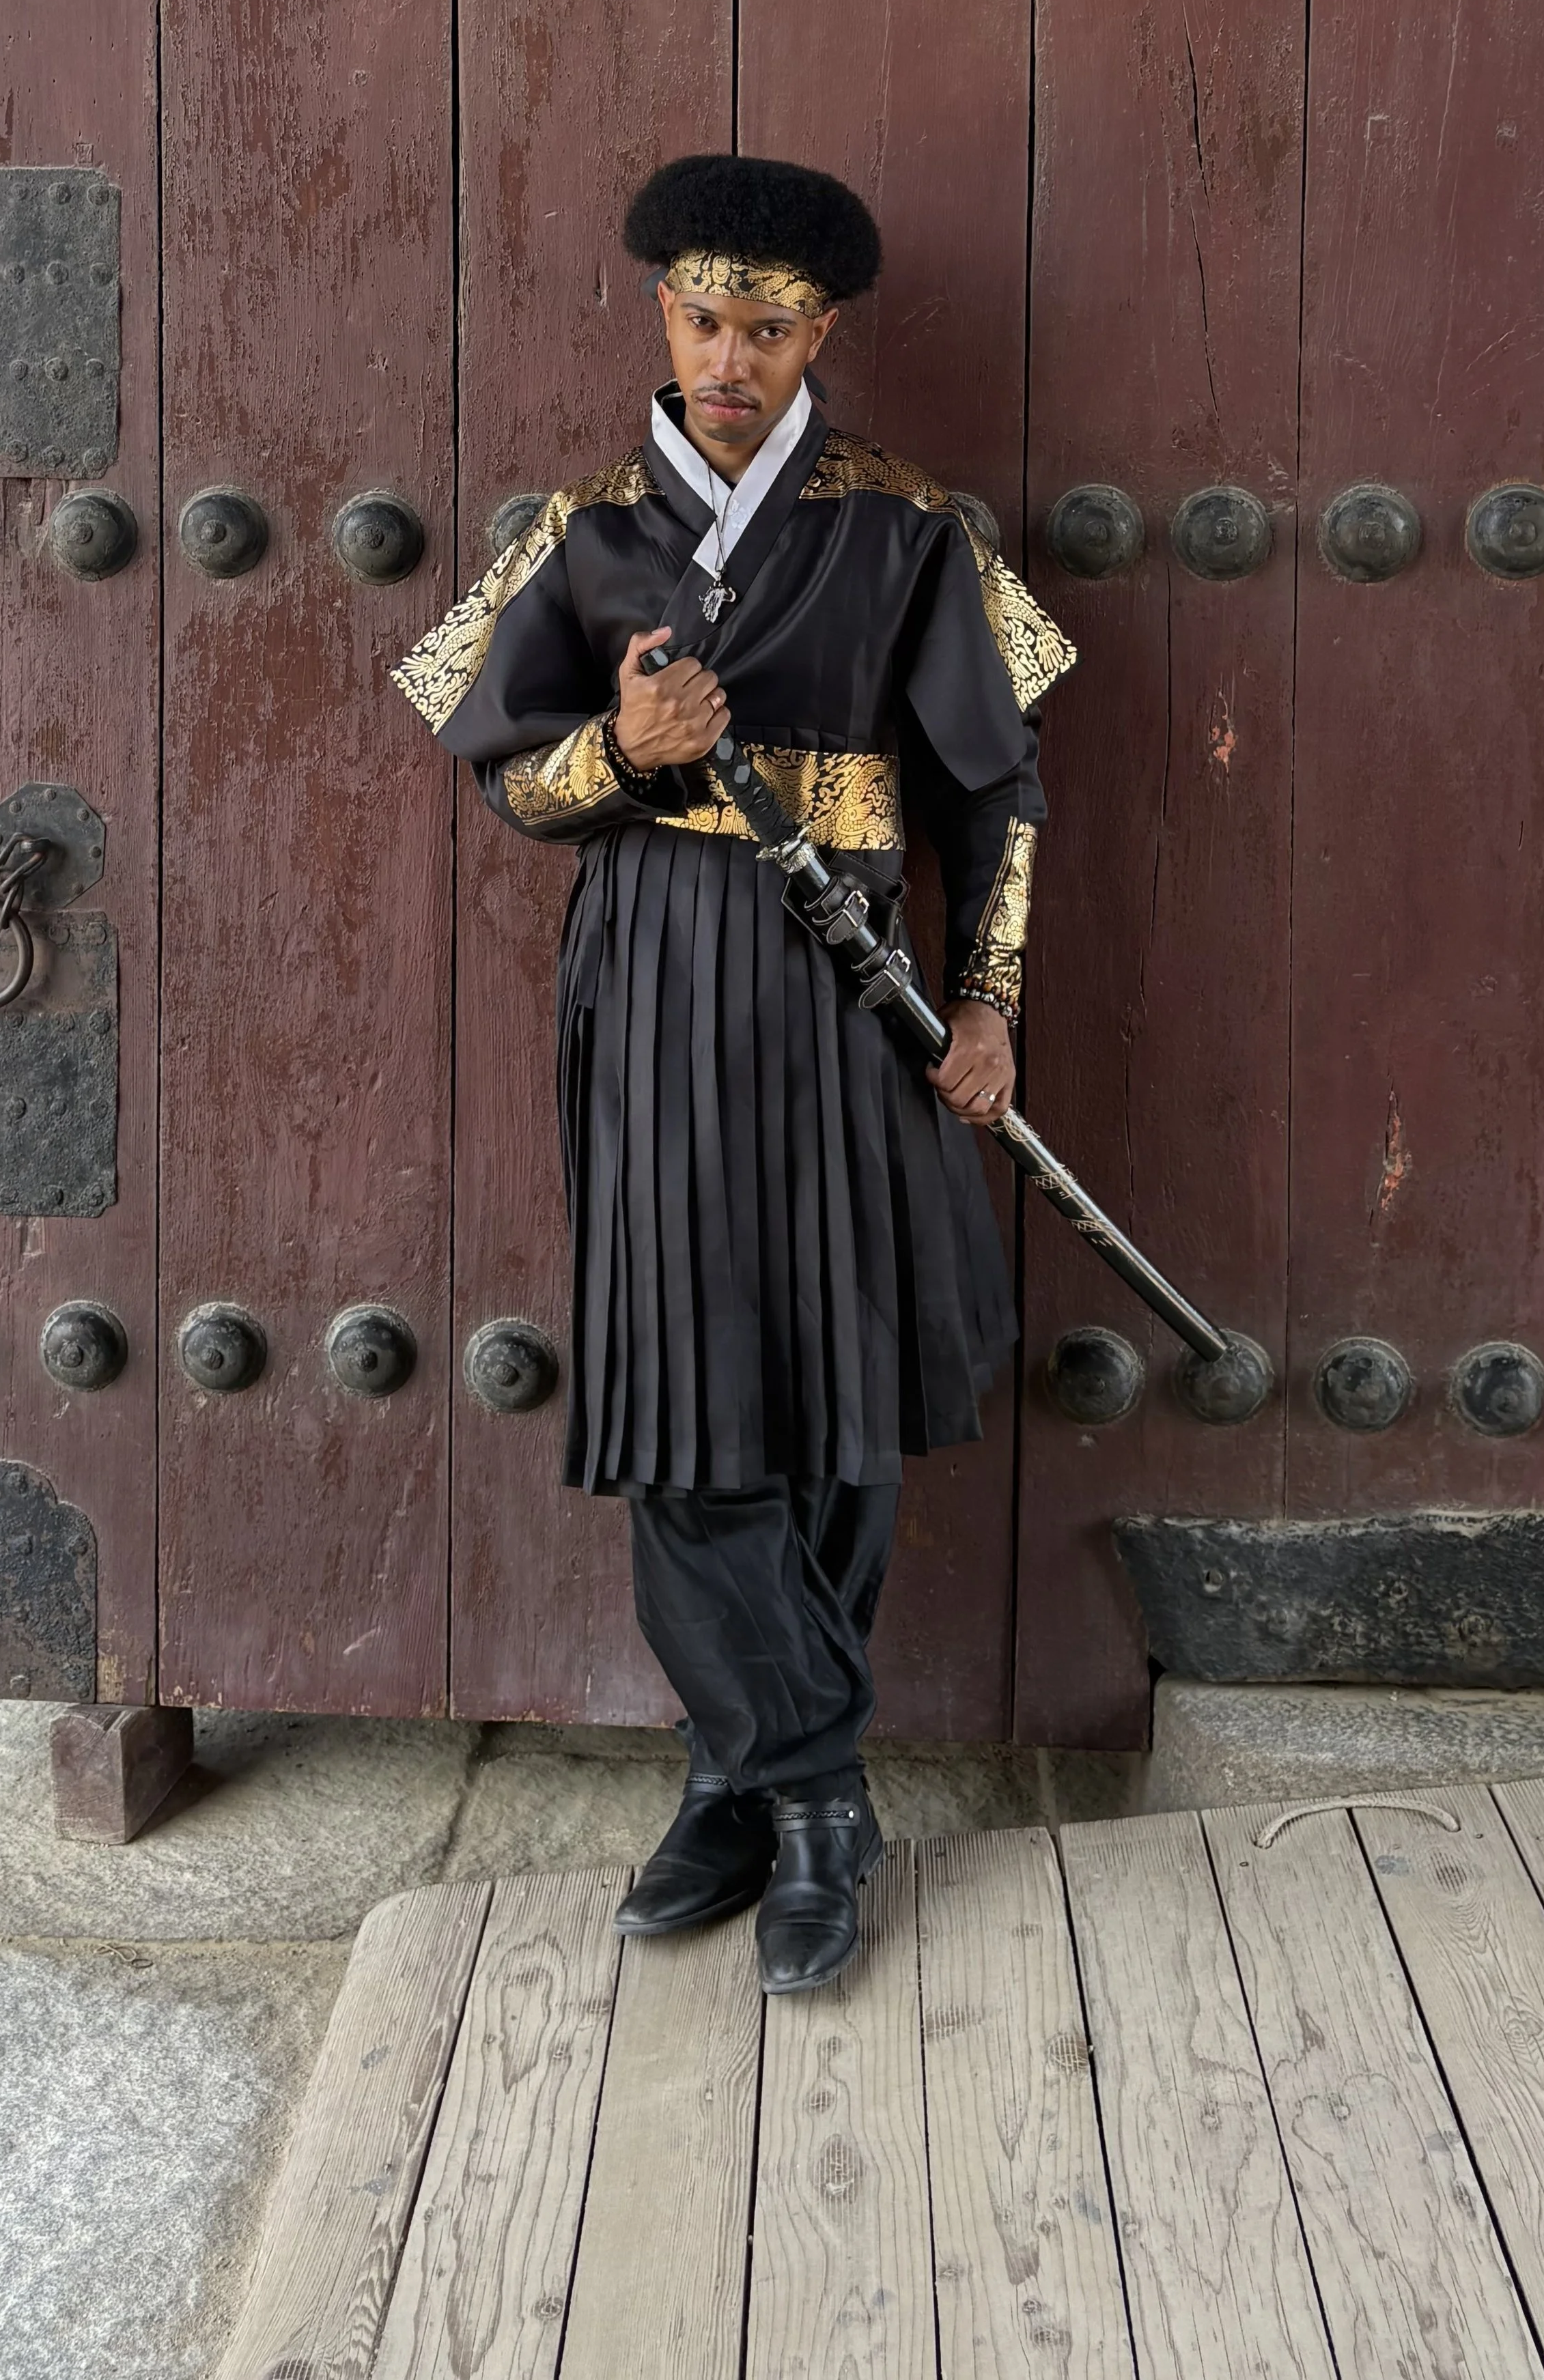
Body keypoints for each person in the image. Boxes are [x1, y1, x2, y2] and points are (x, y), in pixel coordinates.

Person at [393, 154, 1074, 1990]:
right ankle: (818, 1797)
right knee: (688, 1420)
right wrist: (617, 748)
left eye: (766, 326)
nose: (728, 355)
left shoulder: (909, 526)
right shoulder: (580, 530)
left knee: (839, 1411)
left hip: (853, 994)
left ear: (818, 333)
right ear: (660, 314)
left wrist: (987, 999)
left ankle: (728, 1785)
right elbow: (505, 783)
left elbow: (995, 789)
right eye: (703, 318)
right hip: (660, 988)